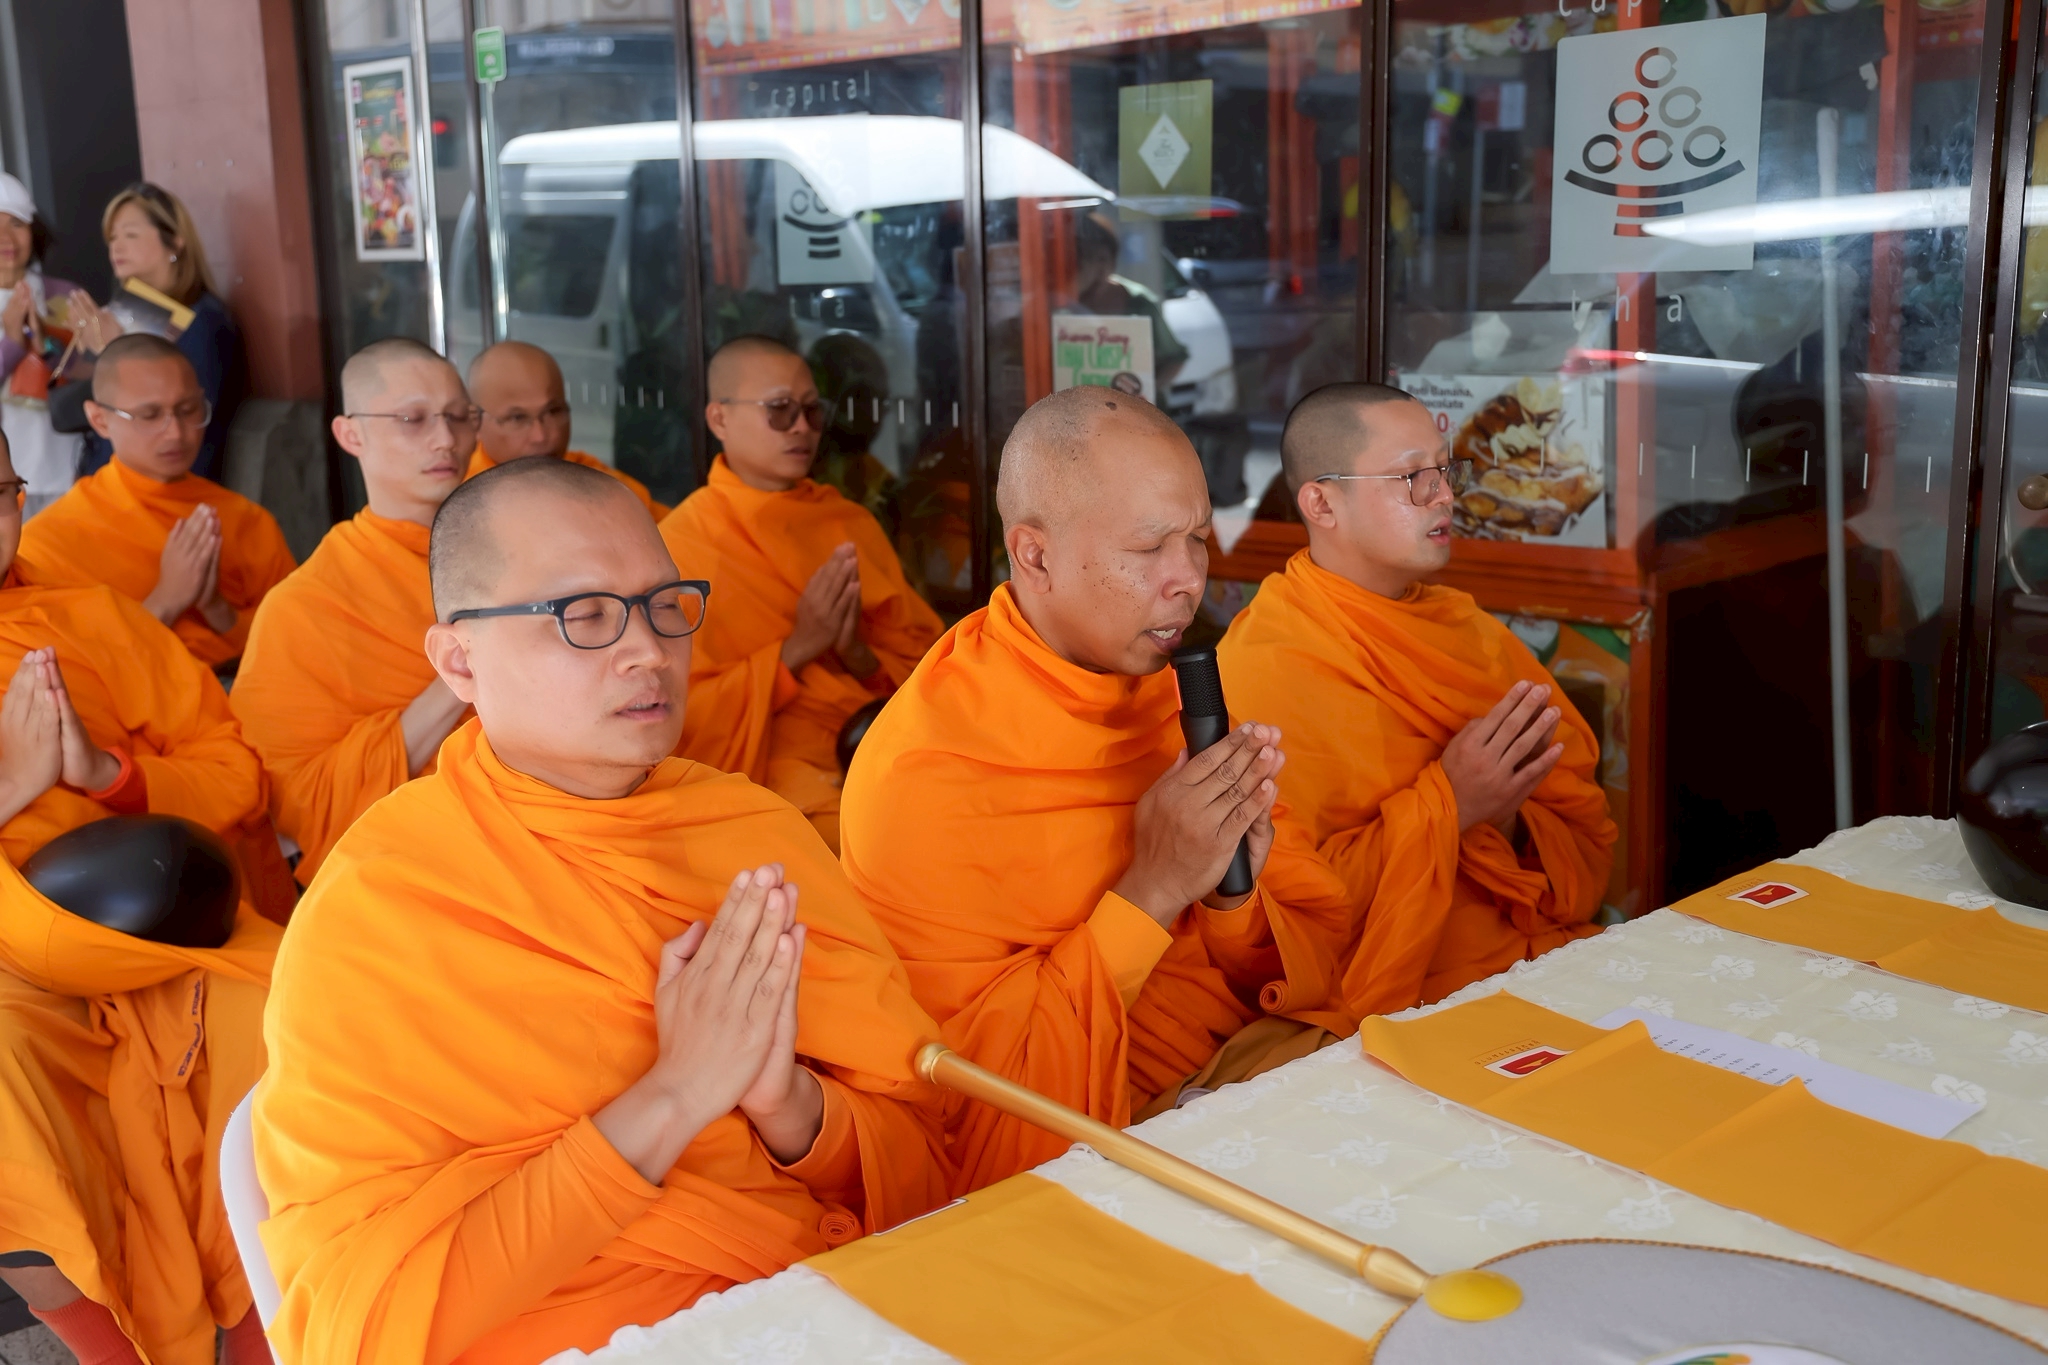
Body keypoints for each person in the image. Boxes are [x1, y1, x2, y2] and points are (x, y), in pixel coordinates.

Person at [254, 458, 951, 1364]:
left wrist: (786, 1106)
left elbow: (925, 1165)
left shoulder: (746, 831)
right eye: (582, 615)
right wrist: (676, 1094)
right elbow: (367, 1319)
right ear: (458, 659)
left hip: (811, 1304)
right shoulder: (381, 902)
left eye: (666, 606)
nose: (647, 650)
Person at [838, 386, 1361, 1193]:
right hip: (1085, 1153)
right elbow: (972, 1104)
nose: (1188, 579)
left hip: (1242, 1080)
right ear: (1035, 553)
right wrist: (1150, 891)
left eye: (1197, 537)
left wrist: (1232, 889)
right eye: (1149, 548)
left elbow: (1296, 964)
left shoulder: (1164, 689)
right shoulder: (927, 771)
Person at [0, 427, 282, 1365]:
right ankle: (110, 1349)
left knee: (276, 1011)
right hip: (12, 961)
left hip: (163, 929)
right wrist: (9, 787)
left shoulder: (94, 619)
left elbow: (234, 772)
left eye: (2, 492)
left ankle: (261, 1335)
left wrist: (106, 771)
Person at [1217, 383, 1616, 1013]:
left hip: (1534, 954)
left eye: (1443, 469)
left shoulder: (1467, 630)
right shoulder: (1262, 667)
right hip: (1401, 994)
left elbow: (1575, 826)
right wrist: (1452, 806)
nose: (1444, 495)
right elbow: (1277, 913)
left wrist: (1503, 814)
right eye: (1411, 477)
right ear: (1322, 503)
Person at [663, 336, 943, 853]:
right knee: (879, 843)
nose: (802, 428)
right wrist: (797, 650)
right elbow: (677, 715)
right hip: (775, 763)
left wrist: (859, 654)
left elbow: (932, 668)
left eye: (813, 411)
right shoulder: (682, 545)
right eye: (780, 411)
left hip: (881, 738)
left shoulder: (847, 522)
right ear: (719, 419)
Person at [230, 338, 472, 884]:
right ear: (349, 434)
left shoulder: (519, 551)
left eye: (460, 416)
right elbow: (295, 799)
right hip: (410, 862)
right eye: (413, 418)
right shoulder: (306, 606)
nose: (446, 438)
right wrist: (469, 663)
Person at [16, 334, 295, 671]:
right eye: (149, 415)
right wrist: (165, 602)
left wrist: (218, 610)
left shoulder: (245, 519)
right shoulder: (50, 541)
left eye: (188, 410)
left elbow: (296, 638)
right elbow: (72, 670)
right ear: (99, 420)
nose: (176, 432)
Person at [69, 183, 245, 481]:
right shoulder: (121, 310)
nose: (117, 247)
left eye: (131, 235)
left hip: (162, 490)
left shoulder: (203, 321)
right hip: (104, 480)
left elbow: (180, 426)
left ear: (175, 242)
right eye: (112, 238)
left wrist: (111, 352)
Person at [465, 339, 670, 519]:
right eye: (517, 418)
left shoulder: (596, 483)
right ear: (476, 421)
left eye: (553, 411)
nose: (541, 436)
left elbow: (673, 536)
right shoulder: (458, 506)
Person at [0, 173, 87, 514]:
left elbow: (90, 378)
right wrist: (12, 341)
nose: (6, 237)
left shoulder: (64, 296)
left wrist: (43, 343)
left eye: (16, 223)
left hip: (63, 469)